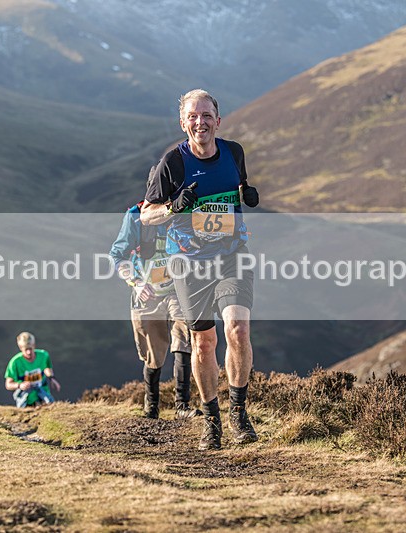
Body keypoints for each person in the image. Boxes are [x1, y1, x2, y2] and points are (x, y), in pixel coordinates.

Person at [140, 89, 260, 450]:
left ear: (218, 121)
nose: (200, 122)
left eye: (206, 115)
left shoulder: (234, 153)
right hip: (188, 265)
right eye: (193, 116)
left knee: (237, 329)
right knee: (203, 343)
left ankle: (238, 414)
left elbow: (238, 187)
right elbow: (147, 215)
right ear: (183, 122)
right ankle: (212, 421)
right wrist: (174, 207)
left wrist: (247, 193)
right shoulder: (171, 164)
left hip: (231, 255)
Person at [109, 199, 199, 420]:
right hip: (146, 293)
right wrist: (137, 283)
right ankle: (151, 407)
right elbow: (117, 256)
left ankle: (182, 406)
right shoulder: (134, 216)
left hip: (178, 290)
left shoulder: (183, 209)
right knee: (152, 354)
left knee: (184, 339)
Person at [4, 332, 61, 408]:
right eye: (26, 349)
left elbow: (47, 368)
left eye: (30, 349)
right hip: (25, 400)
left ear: (34, 345)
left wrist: (52, 378)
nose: (29, 352)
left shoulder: (43, 355)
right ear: (20, 348)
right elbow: (8, 385)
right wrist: (20, 385)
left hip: (43, 397)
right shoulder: (15, 362)